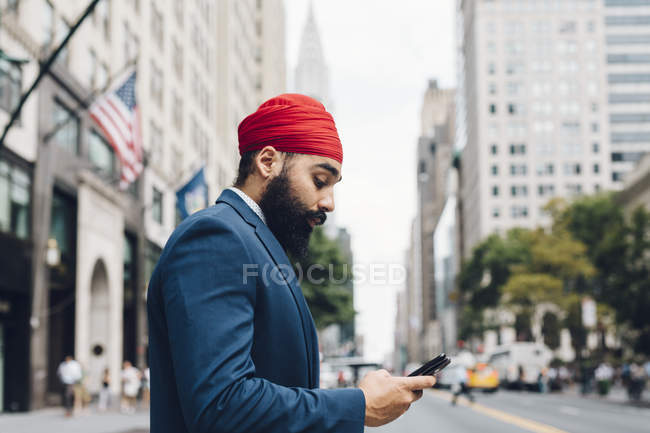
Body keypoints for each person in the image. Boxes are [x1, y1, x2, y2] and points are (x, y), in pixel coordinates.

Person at [147, 94, 435, 433]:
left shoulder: (254, 242)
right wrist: (358, 405)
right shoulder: (217, 236)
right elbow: (222, 404)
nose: (328, 203)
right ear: (268, 162)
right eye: (319, 180)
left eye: (333, 186)